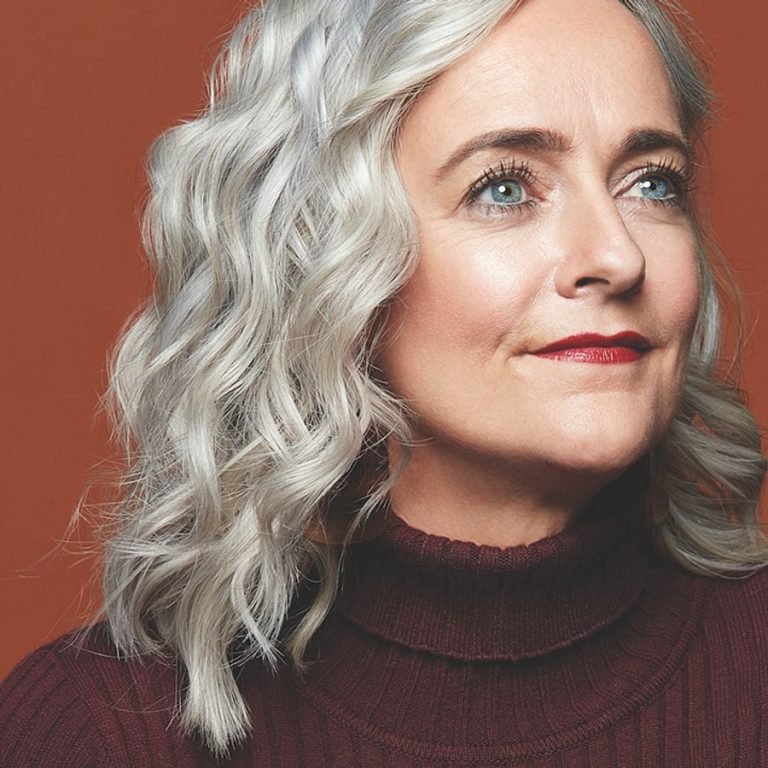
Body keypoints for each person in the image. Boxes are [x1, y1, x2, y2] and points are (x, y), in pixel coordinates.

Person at [2, 0, 767, 764]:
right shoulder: (96, 732)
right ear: (318, 255)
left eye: (652, 184)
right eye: (503, 188)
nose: (619, 256)